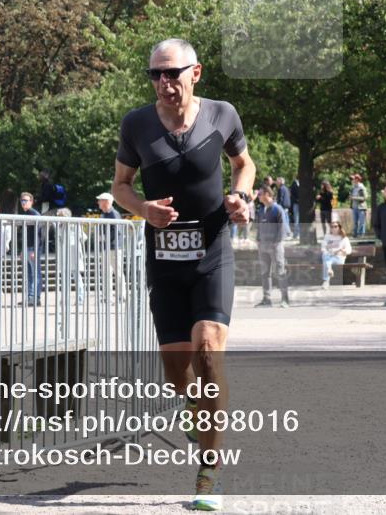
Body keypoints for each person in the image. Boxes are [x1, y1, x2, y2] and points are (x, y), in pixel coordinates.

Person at [112, 38, 255, 511]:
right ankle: (198, 408)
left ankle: (209, 474)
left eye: (172, 73)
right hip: (165, 262)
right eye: (155, 74)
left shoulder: (222, 114)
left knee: (209, 348)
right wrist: (143, 209)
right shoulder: (136, 124)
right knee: (177, 372)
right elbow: (120, 187)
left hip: (212, 252)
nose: (163, 83)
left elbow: (243, 164)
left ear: (196, 73)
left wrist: (241, 198)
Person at [255, 185, 290, 307]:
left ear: (267, 194)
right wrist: (258, 239)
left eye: (260, 194)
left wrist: (277, 242)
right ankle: (266, 300)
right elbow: (259, 226)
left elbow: (283, 227)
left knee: (280, 272)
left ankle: (285, 300)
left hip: (275, 246)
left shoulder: (277, 209)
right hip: (263, 246)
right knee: (265, 273)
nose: (258, 196)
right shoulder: (261, 209)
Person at [18, 192, 42, 306]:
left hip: (33, 248)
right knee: (29, 274)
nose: (23, 203)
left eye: (26, 200)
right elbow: (25, 235)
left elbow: (38, 234)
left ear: (31, 202)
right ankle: (30, 297)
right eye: (22, 201)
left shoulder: (34, 214)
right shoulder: (26, 214)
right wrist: (23, 250)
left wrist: (35, 250)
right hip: (28, 247)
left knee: (35, 273)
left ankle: (35, 298)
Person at [320, 218, 351, 289]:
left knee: (326, 260)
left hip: (339, 258)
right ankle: (328, 272)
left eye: (336, 226)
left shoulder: (344, 238)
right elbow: (323, 248)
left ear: (339, 227)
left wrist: (341, 250)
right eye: (332, 226)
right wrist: (328, 251)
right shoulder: (327, 237)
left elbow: (349, 250)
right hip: (329, 256)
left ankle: (326, 279)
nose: (333, 228)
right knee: (325, 255)